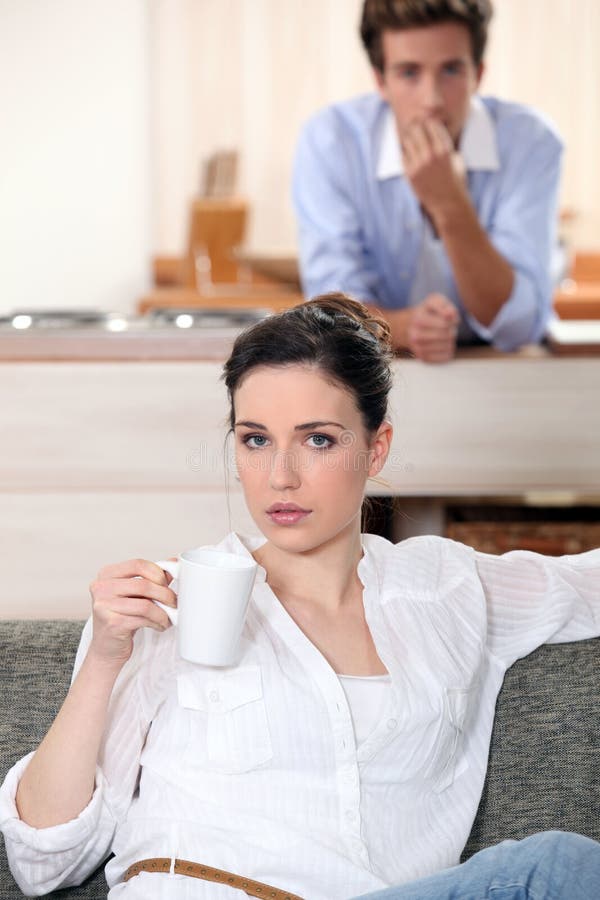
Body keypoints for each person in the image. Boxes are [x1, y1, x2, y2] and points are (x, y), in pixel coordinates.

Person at [1, 294, 599, 900]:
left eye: (317, 440)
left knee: (559, 869)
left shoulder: (450, 589)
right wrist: (105, 657)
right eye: (256, 440)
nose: (281, 476)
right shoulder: (165, 601)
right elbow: (42, 862)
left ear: (377, 447)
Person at [292, 0, 564, 363]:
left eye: (451, 70)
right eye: (409, 73)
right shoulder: (331, 141)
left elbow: (520, 326)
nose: (432, 100)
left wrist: (449, 204)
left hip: (500, 369)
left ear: (478, 74)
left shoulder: (531, 141)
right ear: (380, 80)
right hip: (381, 369)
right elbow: (332, 316)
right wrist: (404, 328)